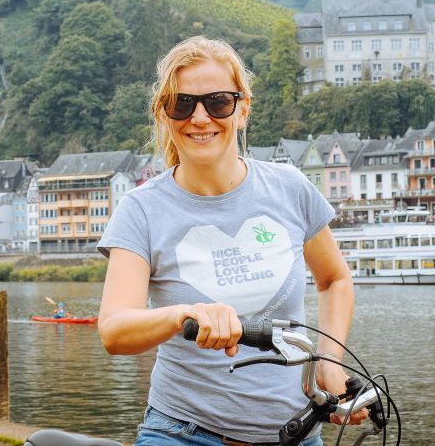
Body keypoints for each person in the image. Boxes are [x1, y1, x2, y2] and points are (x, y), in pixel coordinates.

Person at [97, 36, 366, 446]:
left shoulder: (289, 188)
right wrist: (184, 314)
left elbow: (333, 280)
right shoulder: (141, 209)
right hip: (181, 432)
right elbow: (114, 330)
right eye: (182, 104)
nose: (200, 118)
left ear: (242, 110)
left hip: (296, 432)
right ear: (164, 115)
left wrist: (329, 361)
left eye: (218, 101)